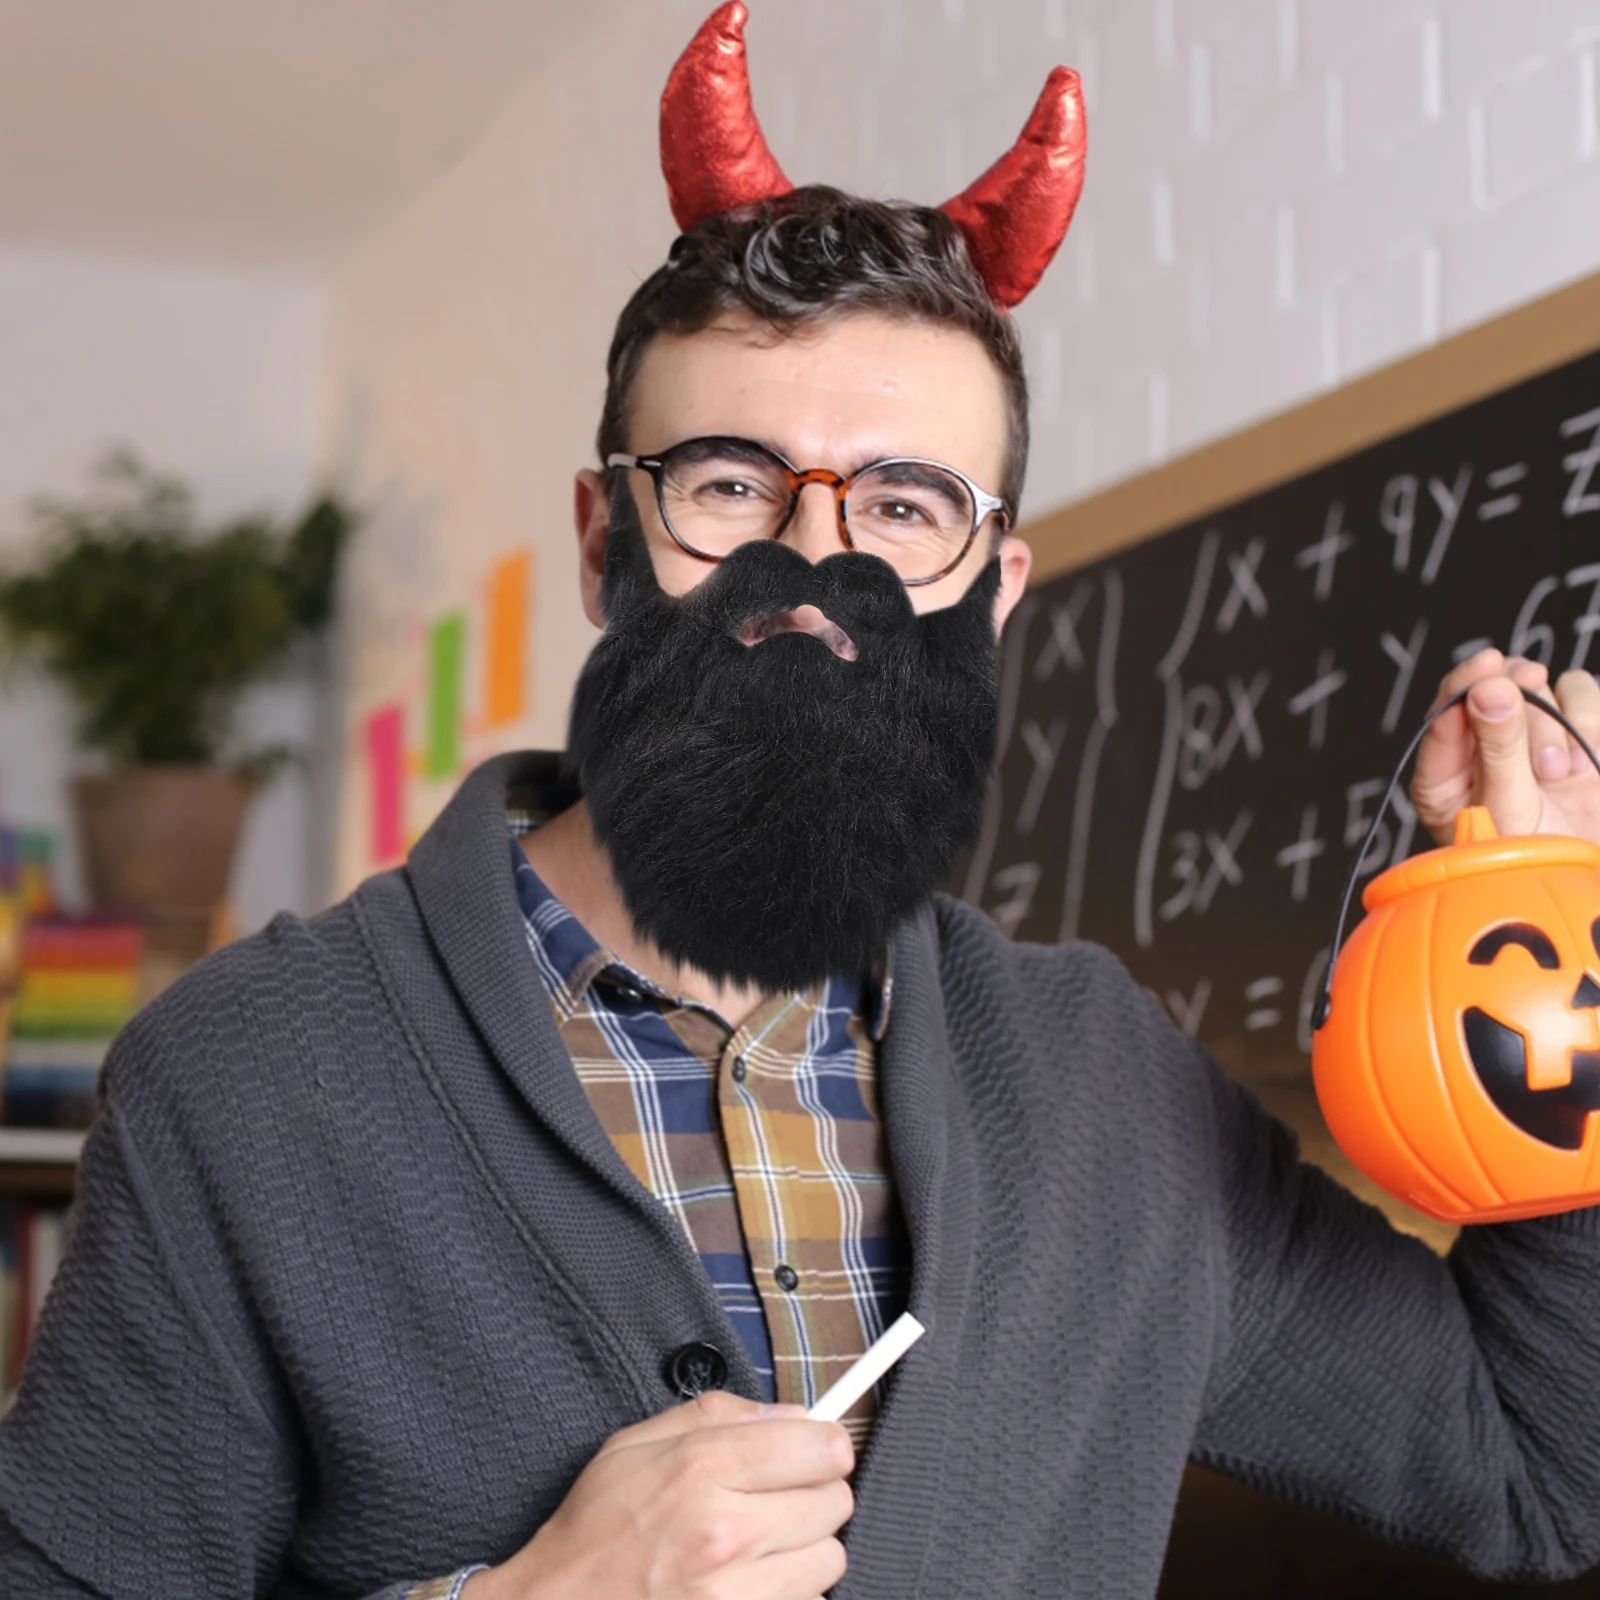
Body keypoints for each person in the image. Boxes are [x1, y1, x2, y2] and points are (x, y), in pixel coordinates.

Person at [5, 6, 1600, 1598]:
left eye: (907, 506)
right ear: (598, 541)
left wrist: (1553, 928)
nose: (816, 573)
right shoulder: (245, 1079)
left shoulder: (1110, 1090)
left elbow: (1545, 1471)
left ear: (997, 589)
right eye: (726, 483)